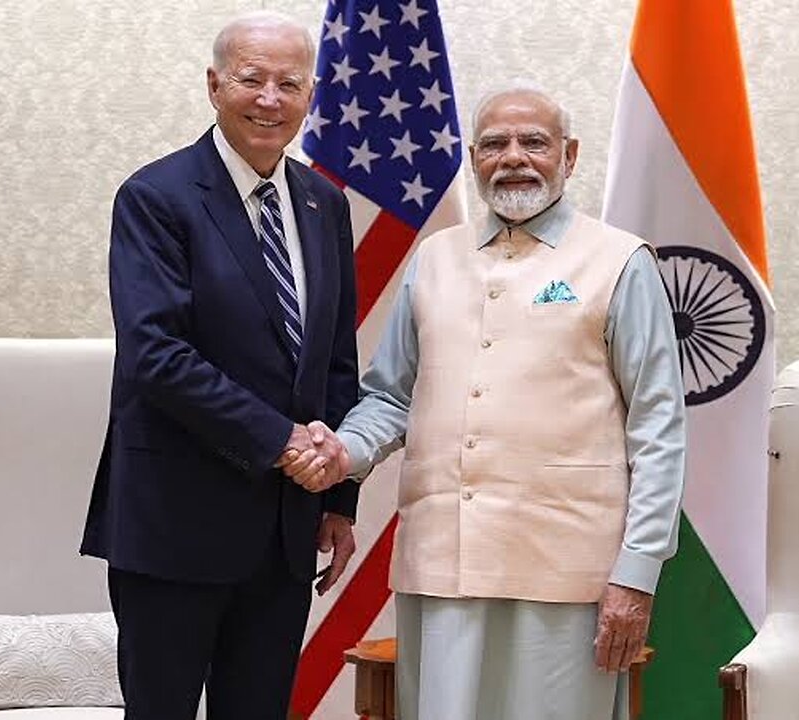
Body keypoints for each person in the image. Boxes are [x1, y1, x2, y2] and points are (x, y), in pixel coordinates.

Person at [286, 84, 687, 720]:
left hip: (566, 571)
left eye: (535, 142)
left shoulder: (620, 260)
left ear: (570, 155)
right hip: (442, 567)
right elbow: (390, 397)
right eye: (495, 144)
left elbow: (658, 428)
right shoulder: (435, 258)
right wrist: (341, 452)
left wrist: (636, 573)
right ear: (473, 157)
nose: (514, 157)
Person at [79, 11, 360, 720]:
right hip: (176, 523)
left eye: (289, 83)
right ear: (214, 85)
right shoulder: (156, 197)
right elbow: (156, 353)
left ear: (310, 96)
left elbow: (334, 359)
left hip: (285, 532)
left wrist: (335, 497)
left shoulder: (324, 204)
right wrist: (284, 441)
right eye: (251, 78)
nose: (270, 98)